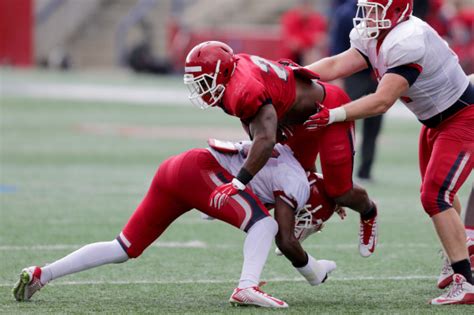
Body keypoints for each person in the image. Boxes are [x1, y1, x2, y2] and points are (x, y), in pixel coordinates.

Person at [13, 139, 338, 308]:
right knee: (264, 226)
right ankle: (246, 288)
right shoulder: (296, 182)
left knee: (124, 247)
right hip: (198, 172)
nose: (307, 223)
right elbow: (284, 239)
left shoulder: (290, 166)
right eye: (312, 217)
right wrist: (315, 271)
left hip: (179, 167)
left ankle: (42, 274)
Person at [304, 0, 474, 305]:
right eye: (367, 8)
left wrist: (334, 114)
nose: (368, 15)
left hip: (463, 118)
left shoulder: (408, 39)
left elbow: (382, 101)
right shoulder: (376, 33)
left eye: (375, 9)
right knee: (440, 193)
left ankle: (466, 282)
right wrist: (291, 74)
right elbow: (335, 64)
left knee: (435, 196)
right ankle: (459, 256)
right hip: (435, 120)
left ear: (396, 10)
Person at [183, 41, 378, 258]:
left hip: (327, 110)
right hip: (295, 121)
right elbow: (255, 124)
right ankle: (317, 206)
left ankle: (369, 211)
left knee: (340, 191)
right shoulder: (233, 80)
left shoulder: (243, 88)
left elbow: (265, 141)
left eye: (204, 82)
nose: (201, 89)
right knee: (290, 175)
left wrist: (237, 184)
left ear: (224, 72)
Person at [329, 0, 382, 181]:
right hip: (354, 74)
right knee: (345, 120)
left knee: (374, 123)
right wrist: (339, 79)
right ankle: (341, 169)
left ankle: (365, 169)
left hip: (376, 74)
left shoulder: (382, 9)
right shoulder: (346, 13)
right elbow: (337, 47)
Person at [280, 0, 327, 65]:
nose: (305, 8)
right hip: (292, 59)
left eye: (307, 5)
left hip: (311, 54)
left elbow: (320, 40)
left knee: (313, 53)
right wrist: (310, 40)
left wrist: (302, 41)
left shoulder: (318, 19)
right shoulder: (290, 18)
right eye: (303, 5)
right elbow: (293, 45)